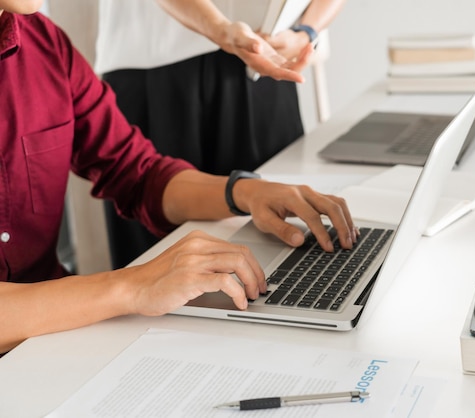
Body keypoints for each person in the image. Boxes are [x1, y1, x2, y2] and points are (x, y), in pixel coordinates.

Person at [0, 3, 357, 354]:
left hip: (54, 340)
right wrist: (134, 286)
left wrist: (244, 192)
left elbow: (135, 171)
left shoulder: (45, 45)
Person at [96, 0, 347, 269]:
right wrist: (222, 31)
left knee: (291, 243)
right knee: (153, 264)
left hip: (264, 61)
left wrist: (306, 31)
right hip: (154, 60)